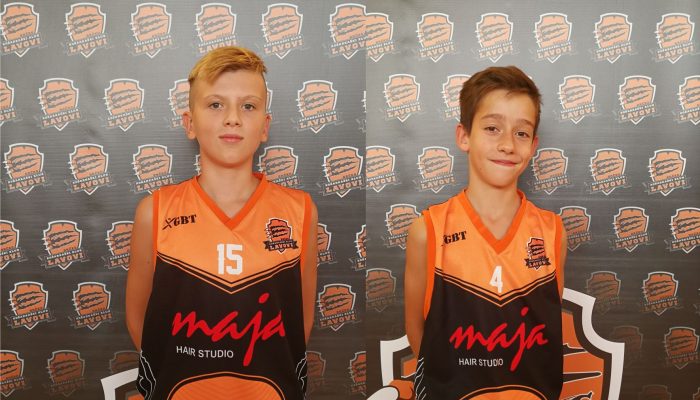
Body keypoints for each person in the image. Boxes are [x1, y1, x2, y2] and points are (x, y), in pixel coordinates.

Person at [126, 46, 318, 400]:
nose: (233, 118)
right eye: (216, 104)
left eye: (248, 106)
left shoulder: (299, 210)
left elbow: (299, 320)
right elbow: (140, 319)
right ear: (189, 123)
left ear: (265, 126)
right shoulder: (154, 211)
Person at [404, 66, 567, 399]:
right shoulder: (428, 230)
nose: (507, 145)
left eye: (521, 133)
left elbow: (547, 327)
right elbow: (418, 332)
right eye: (493, 128)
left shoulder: (552, 231)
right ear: (464, 136)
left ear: (533, 145)